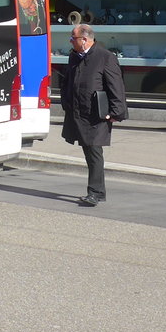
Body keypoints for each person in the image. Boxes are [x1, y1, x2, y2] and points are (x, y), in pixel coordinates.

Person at [61, 23, 127, 207]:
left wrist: (117, 111)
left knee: (94, 151)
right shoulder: (75, 57)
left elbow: (116, 85)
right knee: (89, 151)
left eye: (73, 38)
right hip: (79, 112)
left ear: (84, 40)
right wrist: (66, 101)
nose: (70, 41)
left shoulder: (105, 57)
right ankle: (98, 191)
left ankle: (95, 193)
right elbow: (68, 81)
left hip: (97, 114)